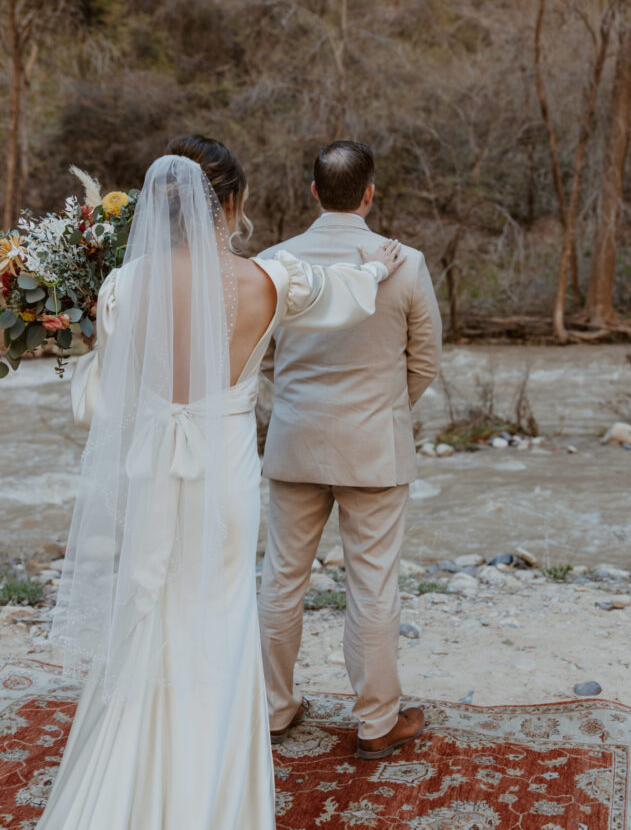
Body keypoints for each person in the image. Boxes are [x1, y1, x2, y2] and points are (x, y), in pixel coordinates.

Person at [38, 136, 404, 830]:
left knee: (151, 615)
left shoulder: (123, 287)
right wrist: (374, 264)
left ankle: (129, 786)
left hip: (152, 473)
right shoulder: (271, 280)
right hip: (224, 481)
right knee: (220, 624)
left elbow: (96, 406)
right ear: (232, 203)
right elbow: (346, 297)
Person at [258, 139, 442, 760]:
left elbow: (255, 356)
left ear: (313, 192)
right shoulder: (407, 263)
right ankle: (375, 724)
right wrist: (387, 411)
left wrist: (291, 400)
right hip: (374, 447)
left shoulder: (274, 262)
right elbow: (426, 361)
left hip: (294, 442)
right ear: (369, 194)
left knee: (282, 579)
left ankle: (274, 710)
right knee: (373, 584)